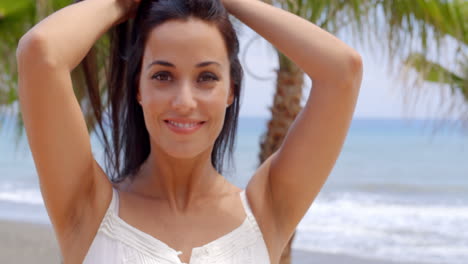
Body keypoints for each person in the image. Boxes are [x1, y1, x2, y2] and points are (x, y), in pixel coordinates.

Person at [16, 0, 363, 263]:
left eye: (206, 77)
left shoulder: (266, 210)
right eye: (163, 76)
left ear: (231, 91)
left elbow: (343, 71)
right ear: (138, 87)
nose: (184, 101)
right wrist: (122, 3)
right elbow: (40, 52)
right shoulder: (88, 209)